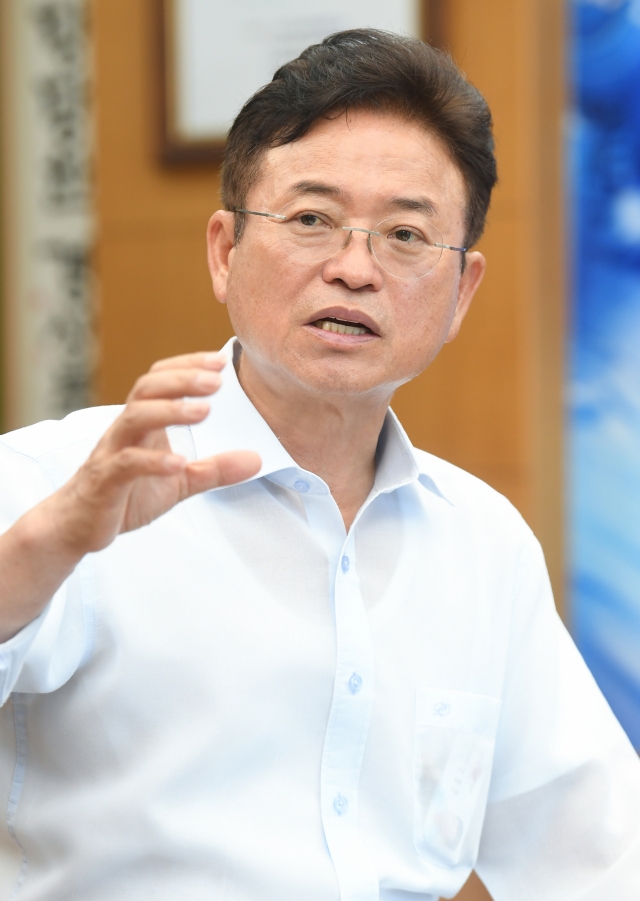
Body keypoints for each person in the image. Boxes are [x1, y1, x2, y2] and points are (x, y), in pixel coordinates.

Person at [0, 28, 638, 901]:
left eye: (406, 234)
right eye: (311, 220)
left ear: (461, 292)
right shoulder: (60, 483)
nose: (354, 268)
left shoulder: (484, 545)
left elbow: (597, 856)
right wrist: (49, 545)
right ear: (225, 251)